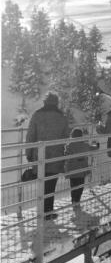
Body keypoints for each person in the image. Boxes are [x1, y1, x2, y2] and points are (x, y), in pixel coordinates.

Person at [26, 92, 70, 220]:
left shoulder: (37, 115)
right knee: (51, 185)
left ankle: (42, 211)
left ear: (45, 102)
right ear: (56, 102)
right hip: (56, 155)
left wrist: (29, 153)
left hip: (39, 155)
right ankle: (48, 211)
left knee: (42, 183)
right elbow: (66, 136)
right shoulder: (62, 117)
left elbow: (30, 136)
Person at [64, 128, 99, 212]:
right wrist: (97, 144)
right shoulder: (85, 145)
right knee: (80, 185)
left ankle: (73, 200)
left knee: (73, 186)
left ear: (72, 136)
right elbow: (94, 148)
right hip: (82, 169)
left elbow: (66, 154)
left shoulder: (70, 145)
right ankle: (77, 200)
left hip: (72, 170)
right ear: (81, 136)